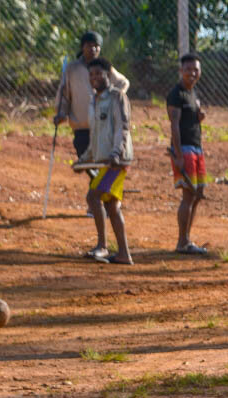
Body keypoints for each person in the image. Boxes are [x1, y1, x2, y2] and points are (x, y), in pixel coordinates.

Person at [53, 30, 129, 237]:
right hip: (82, 126)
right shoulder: (72, 70)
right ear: (82, 47)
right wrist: (61, 113)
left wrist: (111, 96)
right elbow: (64, 94)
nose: (92, 49)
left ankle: (102, 200)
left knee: (99, 182)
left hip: (107, 133)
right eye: (88, 45)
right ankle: (102, 198)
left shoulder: (112, 93)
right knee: (88, 163)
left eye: (96, 46)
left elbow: (123, 127)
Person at [79, 57, 134, 265]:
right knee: (111, 205)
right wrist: (84, 159)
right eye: (91, 74)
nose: (95, 78)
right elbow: (95, 135)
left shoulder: (117, 97)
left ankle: (103, 246)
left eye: (99, 74)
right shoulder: (94, 101)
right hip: (104, 160)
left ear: (108, 75)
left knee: (94, 197)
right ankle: (123, 254)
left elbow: (123, 127)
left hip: (116, 162)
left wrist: (116, 154)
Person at [167, 53, 209, 255]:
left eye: (196, 70)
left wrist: (199, 117)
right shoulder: (177, 94)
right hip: (184, 149)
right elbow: (174, 124)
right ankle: (182, 241)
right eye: (188, 69)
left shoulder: (192, 93)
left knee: (197, 194)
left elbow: (187, 121)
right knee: (189, 195)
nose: (192, 73)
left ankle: (187, 239)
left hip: (196, 147)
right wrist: (178, 155)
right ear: (180, 71)